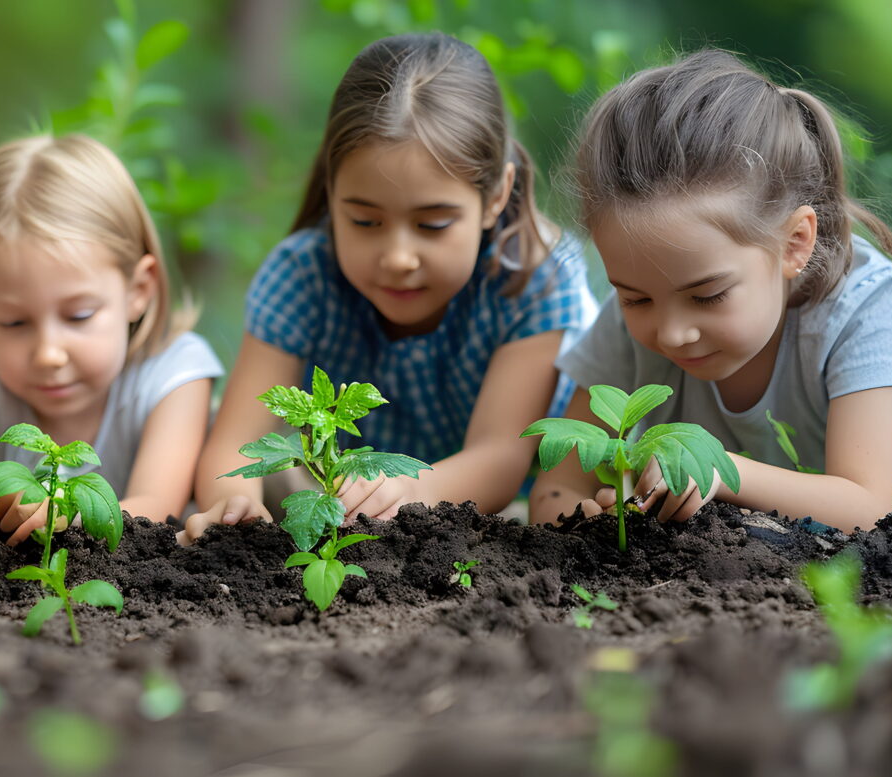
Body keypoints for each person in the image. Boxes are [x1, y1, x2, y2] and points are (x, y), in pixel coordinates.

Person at [183, 33, 595, 543]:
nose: (398, 258)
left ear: (496, 196)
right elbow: (234, 444)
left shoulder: (533, 278)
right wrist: (233, 503)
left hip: (504, 510)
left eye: (433, 225)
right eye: (364, 221)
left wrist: (411, 491)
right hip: (361, 503)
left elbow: (498, 459)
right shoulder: (304, 276)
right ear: (332, 192)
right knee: (280, 484)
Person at [532, 49, 892, 532]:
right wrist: (586, 520)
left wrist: (716, 469)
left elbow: (870, 507)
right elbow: (557, 486)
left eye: (708, 295)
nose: (672, 333)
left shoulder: (861, 305)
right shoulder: (637, 308)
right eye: (635, 299)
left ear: (794, 242)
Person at [0, 134, 221, 545]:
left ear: (138, 289)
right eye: (13, 322)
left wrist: (63, 512)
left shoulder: (176, 372)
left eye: (79, 315)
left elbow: (156, 506)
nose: (48, 354)